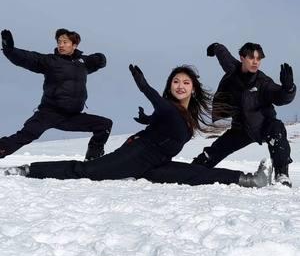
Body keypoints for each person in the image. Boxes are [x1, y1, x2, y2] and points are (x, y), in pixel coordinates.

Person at [4, 64, 269, 188]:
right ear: (170, 86)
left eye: (185, 82)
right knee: (87, 171)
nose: (180, 85)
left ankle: (248, 179)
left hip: (155, 163)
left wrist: (148, 120)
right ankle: (28, 170)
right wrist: (144, 87)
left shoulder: (185, 115)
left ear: (193, 89)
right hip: (136, 153)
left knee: (194, 174)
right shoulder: (168, 106)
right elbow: (161, 107)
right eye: (175, 81)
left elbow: (164, 122)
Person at [191, 42, 296, 187]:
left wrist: (288, 89)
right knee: (217, 149)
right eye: (251, 58)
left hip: (263, 125)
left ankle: (282, 174)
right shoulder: (232, 70)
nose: (255, 62)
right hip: (240, 129)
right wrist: (215, 47)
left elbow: (279, 97)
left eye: (259, 59)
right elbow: (224, 55)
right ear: (242, 58)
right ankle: (194, 168)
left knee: (277, 130)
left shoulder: (263, 82)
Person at [0, 28, 112, 161]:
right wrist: (9, 49)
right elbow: (27, 58)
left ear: (74, 45)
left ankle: (93, 159)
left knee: (104, 125)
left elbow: (100, 62)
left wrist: (100, 58)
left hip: (72, 116)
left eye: (65, 42)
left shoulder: (82, 63)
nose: (61, 45)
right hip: (49, 113)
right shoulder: (50, 61)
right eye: (59, 42)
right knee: (25, 135)